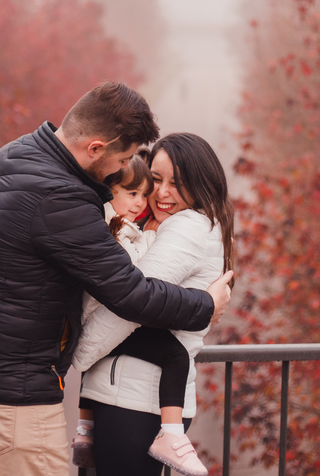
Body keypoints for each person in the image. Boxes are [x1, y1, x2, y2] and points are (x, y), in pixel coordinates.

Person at [0, 83, 235, 476]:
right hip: (15, 395)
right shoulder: (62, 200)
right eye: (124, 159)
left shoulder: (13, 154)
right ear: (96, 148)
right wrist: (206, 305)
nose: (122, 172)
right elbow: (130, 292)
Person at [72, 132, 236, 476]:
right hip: (136, 395)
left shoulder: (187, 227)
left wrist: (81, 352)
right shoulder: (173, 225)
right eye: (156, 180)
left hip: (135, 398)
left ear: (200, 184)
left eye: (176, 183)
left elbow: (133, 301)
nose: (161, 193)